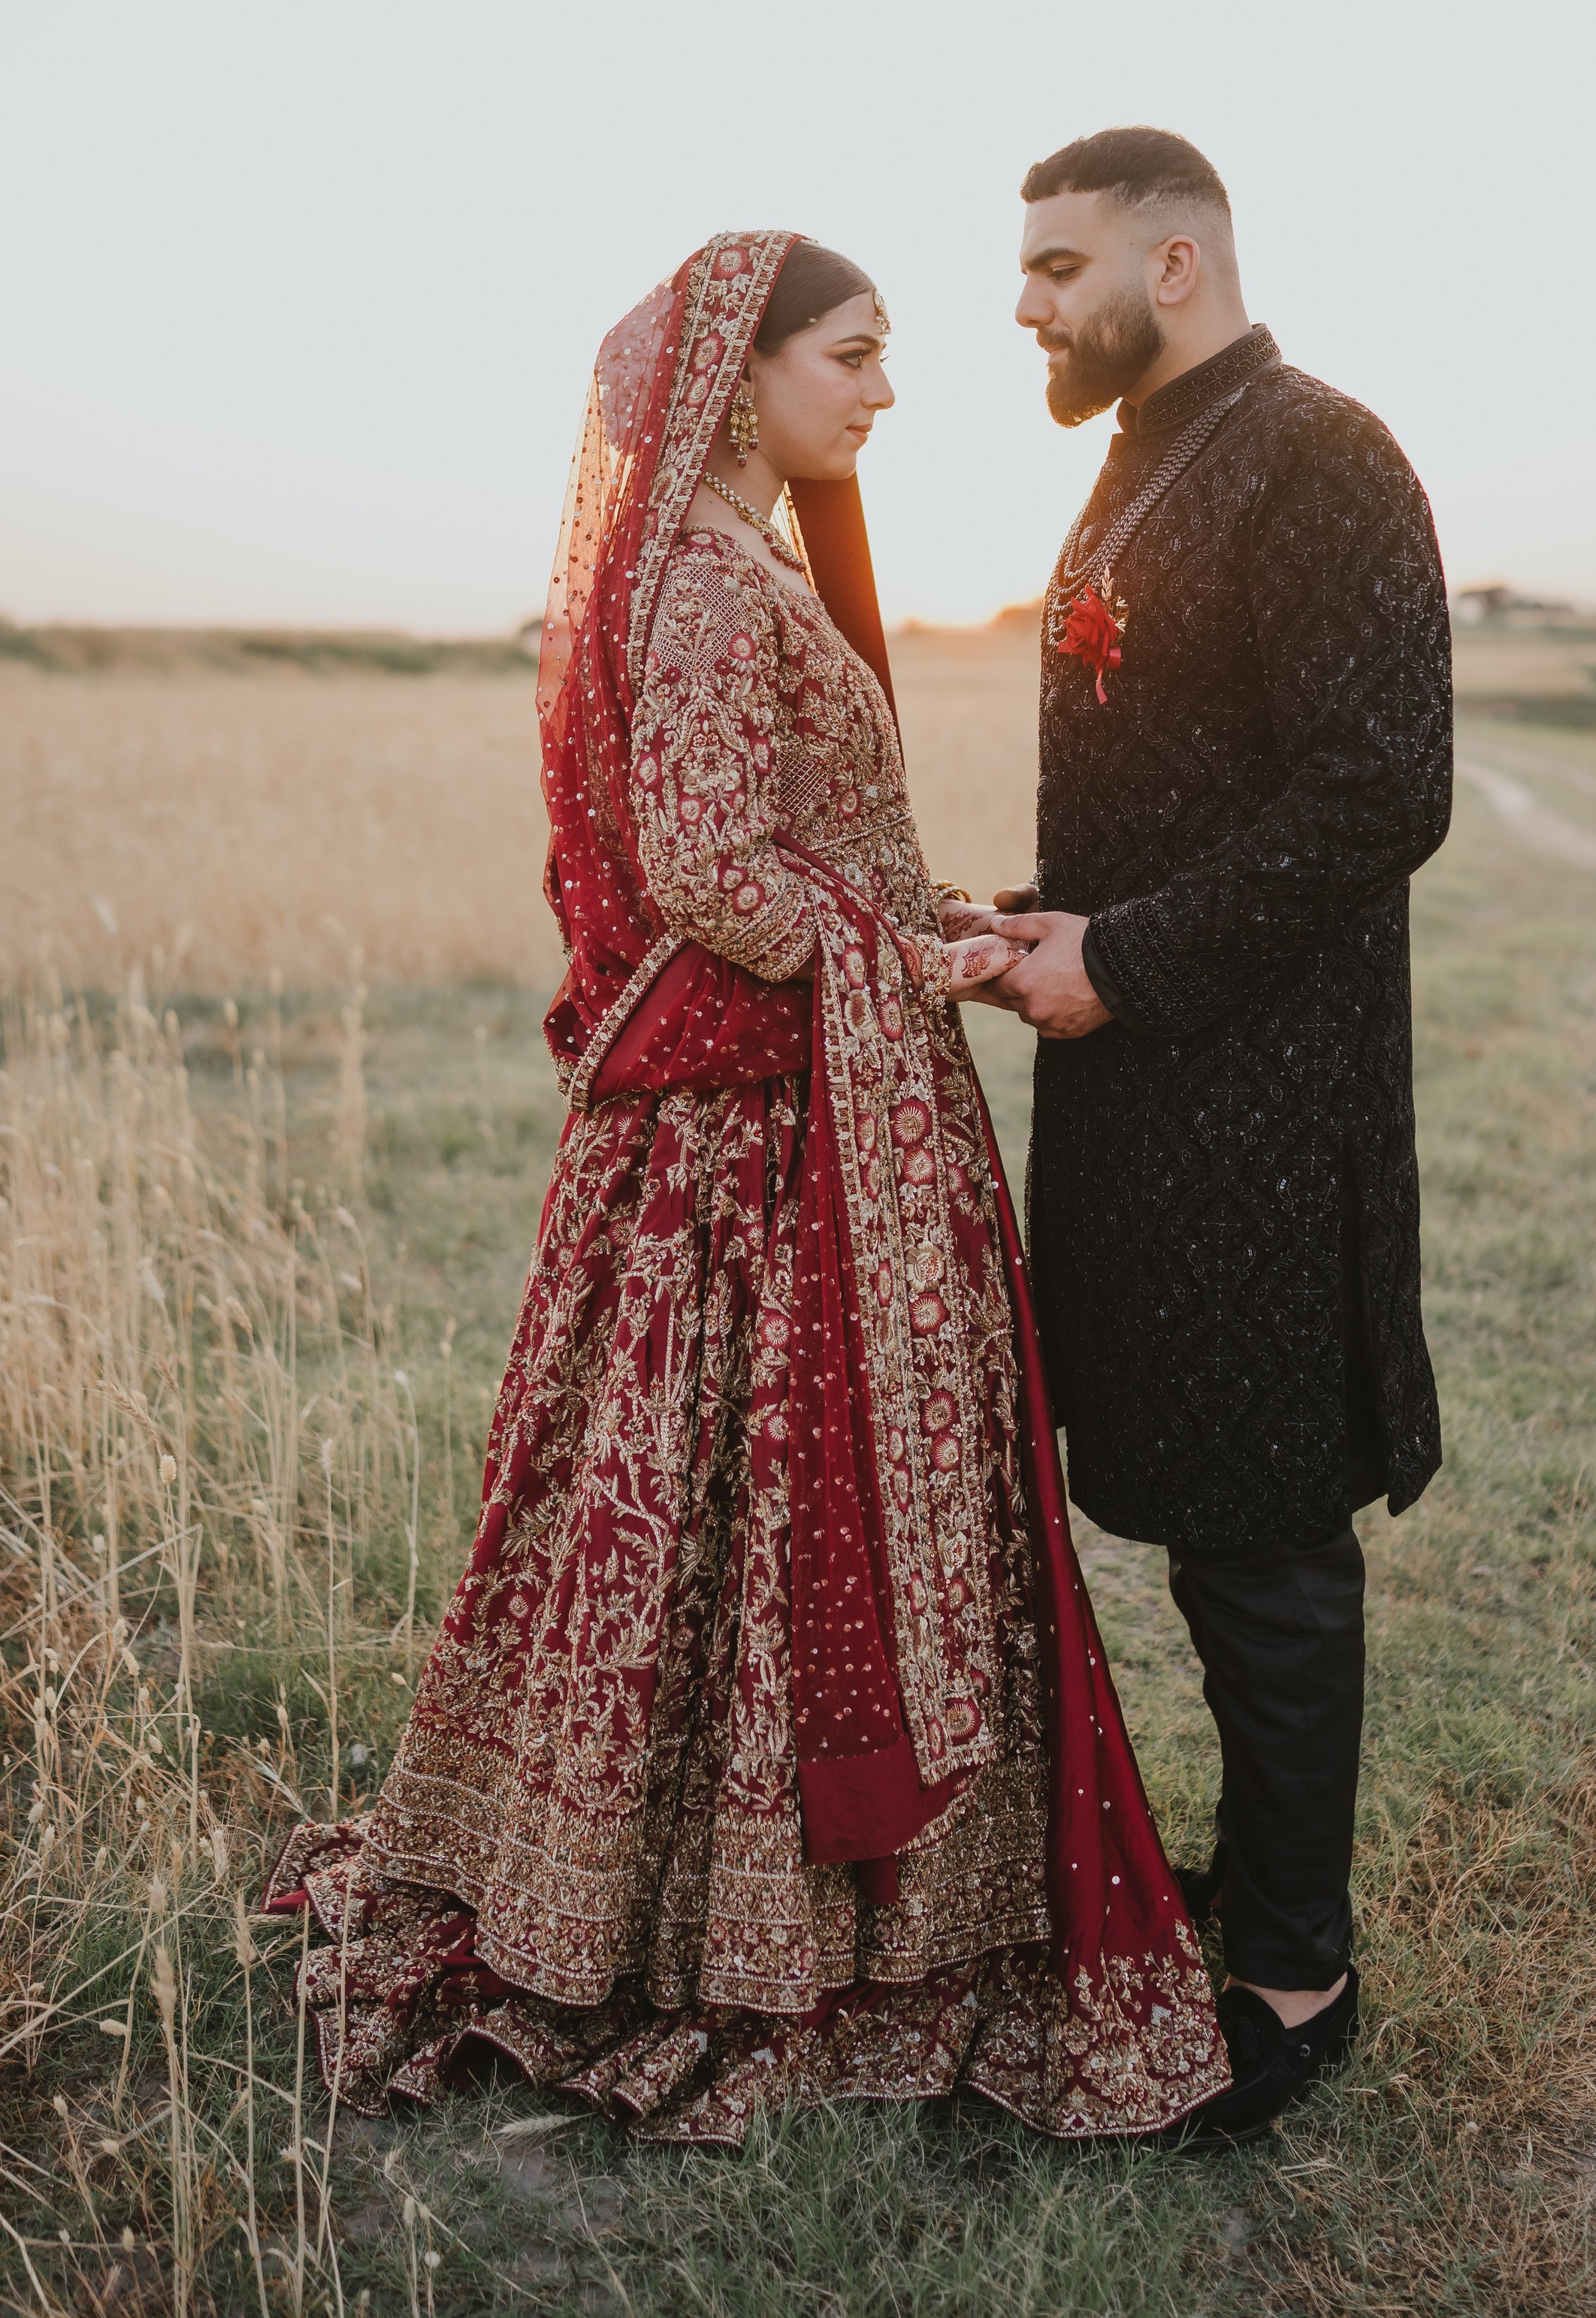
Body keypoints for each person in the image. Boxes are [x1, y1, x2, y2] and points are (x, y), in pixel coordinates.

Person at [263, 231, 1227, 2146]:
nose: (882, 394)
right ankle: (741, 1938)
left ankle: (743, 1910)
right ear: (742, 373)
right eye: (854, 357)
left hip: (792, 1109)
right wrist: (927, 967)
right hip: (749, 1155)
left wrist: (942, 915)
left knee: (736, 1537)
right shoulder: (708, 584)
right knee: (743, 1518)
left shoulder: (739, 561)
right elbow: (714, 874)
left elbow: (802, 850)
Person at [977, 128, 1453, 2142]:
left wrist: (1135, 961)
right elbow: (1179, 781)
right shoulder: (1149, 450)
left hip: (1263, 1101)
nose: (1025, 306)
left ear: (1176, 265)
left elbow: (1379, 795)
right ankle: (1258, 1893)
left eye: (1055, 266)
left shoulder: (1322, 454)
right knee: (1187, 1512)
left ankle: (1296, 1980)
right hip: (1148, 1082)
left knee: (1263, 1546)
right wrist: (1035, 924)